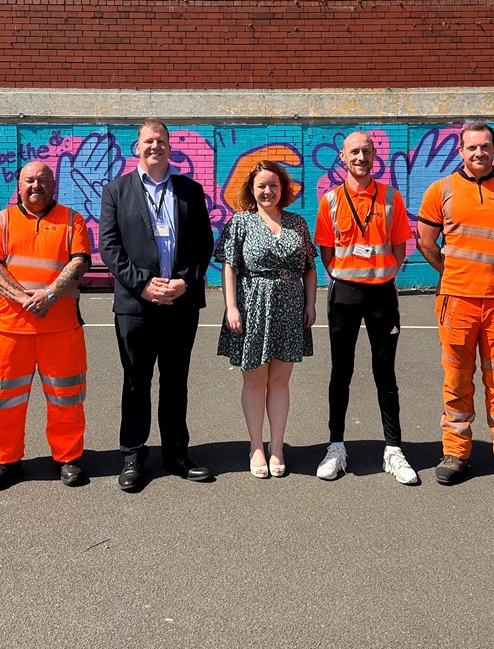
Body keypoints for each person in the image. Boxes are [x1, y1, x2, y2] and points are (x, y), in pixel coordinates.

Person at [416, 122, 494, 493]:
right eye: (472, 147)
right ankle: (455, 452)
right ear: (461, 150)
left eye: (485, 147)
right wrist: (454, 270)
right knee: (456, 379)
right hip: (456, 300)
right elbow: (425, 241)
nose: (479, 153)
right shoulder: (441, 190)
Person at [99, 119, 215, 491]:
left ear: (170, 147)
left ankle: (176, 453)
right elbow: (110, 247)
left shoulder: (190, 191)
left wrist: (185, 281)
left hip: (180, 304)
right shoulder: (116, 191)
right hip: (136, 306)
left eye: (161, 141)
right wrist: (144, 285)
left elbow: (203, 246)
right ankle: (133, 455)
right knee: (136, 381)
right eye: (149, 141)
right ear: (137, 147)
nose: (155, 146)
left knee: (175, 381)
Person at [313, 131, 419, 485]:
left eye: (366, 151)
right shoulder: (329, 200)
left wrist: (383, 273)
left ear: (375, 156)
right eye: (354, 152)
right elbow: (326, 251)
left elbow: (401, 246)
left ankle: (393, 449)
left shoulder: (391, 197)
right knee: (340, 371)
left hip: (381, 294)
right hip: (344, 294)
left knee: (385, 373)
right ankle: (336, 446)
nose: (360, 157)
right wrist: (345, 275)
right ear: (342, 157)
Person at [0, 161, 91, 491]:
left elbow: (80, 261)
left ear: (53, 186)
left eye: (43, 180)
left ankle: (67, 459)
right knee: (4, 402)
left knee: (66, 400)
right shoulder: (1, 221)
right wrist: (25, 298)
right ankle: (6, 461)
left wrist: (51, 294)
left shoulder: (72, 220)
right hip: (10, 331)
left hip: (62, 331)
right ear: (18, 186)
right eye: (29, 180)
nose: (36, 186)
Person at [216, 161, 317, 478]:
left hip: (289, 305)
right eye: (261, 185)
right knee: (255, 380)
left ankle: (277, 447)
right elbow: (230, 267)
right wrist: (231, 307)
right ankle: (256, 445)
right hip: (253, 305)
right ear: (251, 189)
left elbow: (310, 267)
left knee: (280, 381)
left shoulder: (297, 223)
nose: (268, 191)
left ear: (282, 188)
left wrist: (310, 304)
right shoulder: (240, 223)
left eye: (273, 185)